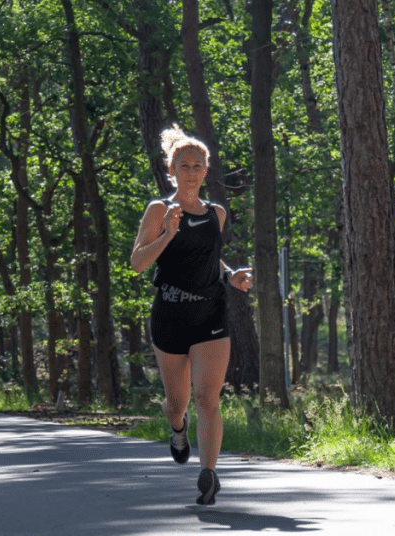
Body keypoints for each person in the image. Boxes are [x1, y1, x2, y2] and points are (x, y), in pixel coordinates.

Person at [130, 124, 253, 506]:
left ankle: (209, 475)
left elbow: (208, 260)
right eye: (185, 165)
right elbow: (137, 263)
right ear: (172, 170)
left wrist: (231, 276)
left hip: (210, 314)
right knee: (178, 402)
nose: (192, 171)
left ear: (206, 170)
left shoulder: (216, 212)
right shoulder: (159, 209)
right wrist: (166, 234)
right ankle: (176, 427)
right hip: (169, 314)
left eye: (198, 165)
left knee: (207, 398)